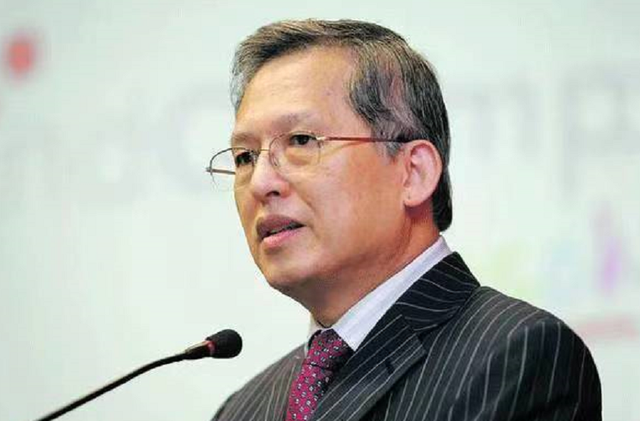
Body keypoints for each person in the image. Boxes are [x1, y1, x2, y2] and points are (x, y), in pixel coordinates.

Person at [208, 19, 601, 421]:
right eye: (244, 157)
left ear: (414, 173)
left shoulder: (517, 356)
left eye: (301, 141)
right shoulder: (241, 410)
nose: (261, 183)